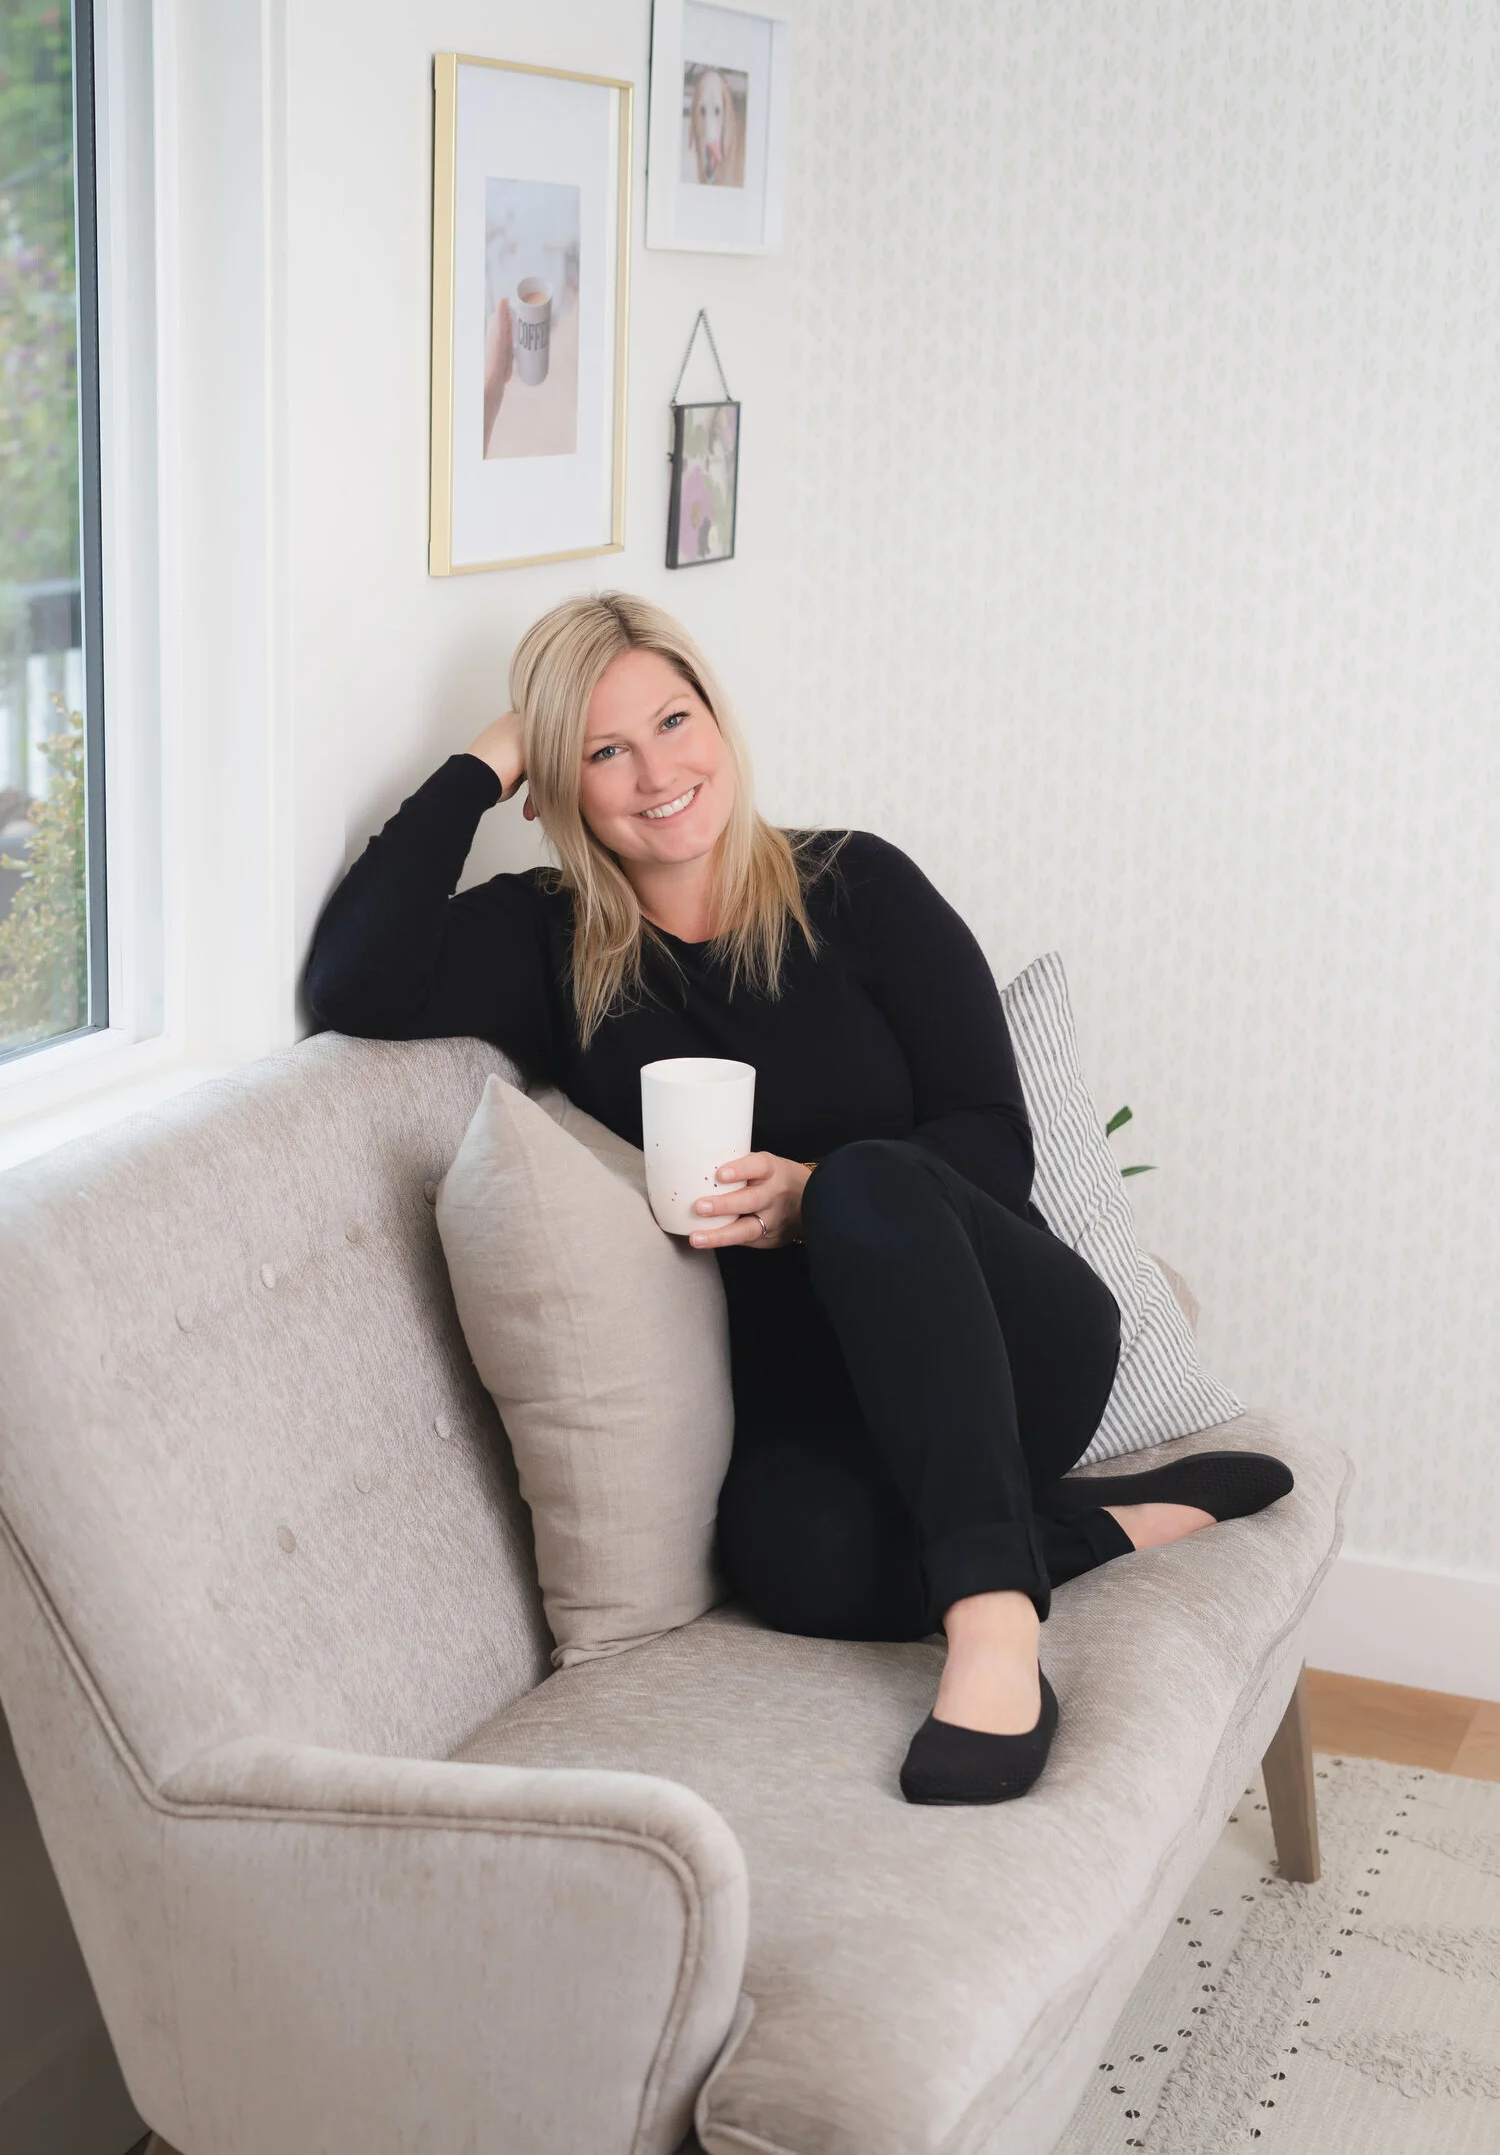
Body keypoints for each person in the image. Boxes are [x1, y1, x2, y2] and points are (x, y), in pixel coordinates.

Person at [304, 594, 1292, 1806]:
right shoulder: (549, 947)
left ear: (720, 717)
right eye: (604, 750)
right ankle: (1106, 1529)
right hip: (816, 1396)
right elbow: (356, 975)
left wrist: (818, 1196)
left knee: (870, 1177)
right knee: (793, 1562)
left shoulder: (858, 886)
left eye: (675, 720)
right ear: (561, 784)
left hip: (1009, 1339)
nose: (658, 773)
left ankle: (995, 1634)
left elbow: (995, 1138)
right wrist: (491, 752)